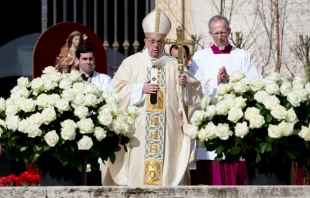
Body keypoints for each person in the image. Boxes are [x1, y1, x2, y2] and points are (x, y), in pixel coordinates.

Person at [101, 7, 203, 186]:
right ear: (145, 41)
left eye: (160, 41)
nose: (156, 46)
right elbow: (114, 94)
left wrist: (184, 85)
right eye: (152, 41)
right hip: (139, 132)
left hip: (168, 132)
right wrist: (139, 89)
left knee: (165, 176)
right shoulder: (131, 63)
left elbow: (194, 97)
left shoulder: (174, 65)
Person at [189, 15, 262, 185]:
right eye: (215, 33)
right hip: (210, 120)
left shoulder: (242, 56)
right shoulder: (200, 57)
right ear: (209, 33)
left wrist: (231, 81)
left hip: (236, 120)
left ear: (229, 31)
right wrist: (215, 81)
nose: (219, 36)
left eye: (223, 32)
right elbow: (193, 86)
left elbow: (256, 83)